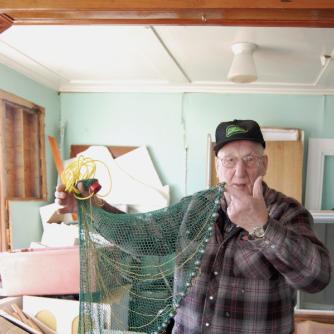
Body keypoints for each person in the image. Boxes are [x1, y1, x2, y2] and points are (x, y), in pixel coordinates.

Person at [55, 119, 331, 334]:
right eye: (230, 160)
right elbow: (140, 235)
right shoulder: (195, 207)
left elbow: (316, 278)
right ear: (217, 166)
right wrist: (90, 206)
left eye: (250, 159)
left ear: (264, 164)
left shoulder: (287, 212)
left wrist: (261, 226)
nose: (240, 171)